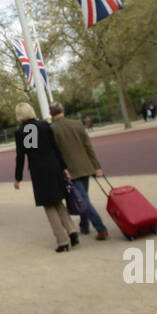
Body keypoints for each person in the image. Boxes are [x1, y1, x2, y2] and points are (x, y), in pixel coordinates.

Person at [13, 102, 76, 252]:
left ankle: (62, 241)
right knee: (58, 201)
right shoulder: (44, 126)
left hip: (38, 170)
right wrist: (64, 167)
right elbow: (55, 148)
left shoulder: (20, 132)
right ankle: (72, 230)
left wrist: (18, 177)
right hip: (53, 166)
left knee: (48, 205)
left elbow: (20, 156)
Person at [49, 102, 108, 240]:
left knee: (82, 199)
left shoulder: (52, 129)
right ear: (63, 110)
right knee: (82, 197)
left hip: (70, 170)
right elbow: (88, 146)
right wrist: (96, 166)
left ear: (51, 114)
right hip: (85, 166)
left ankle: (100, 227)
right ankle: (84, 225)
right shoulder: (77, 124)